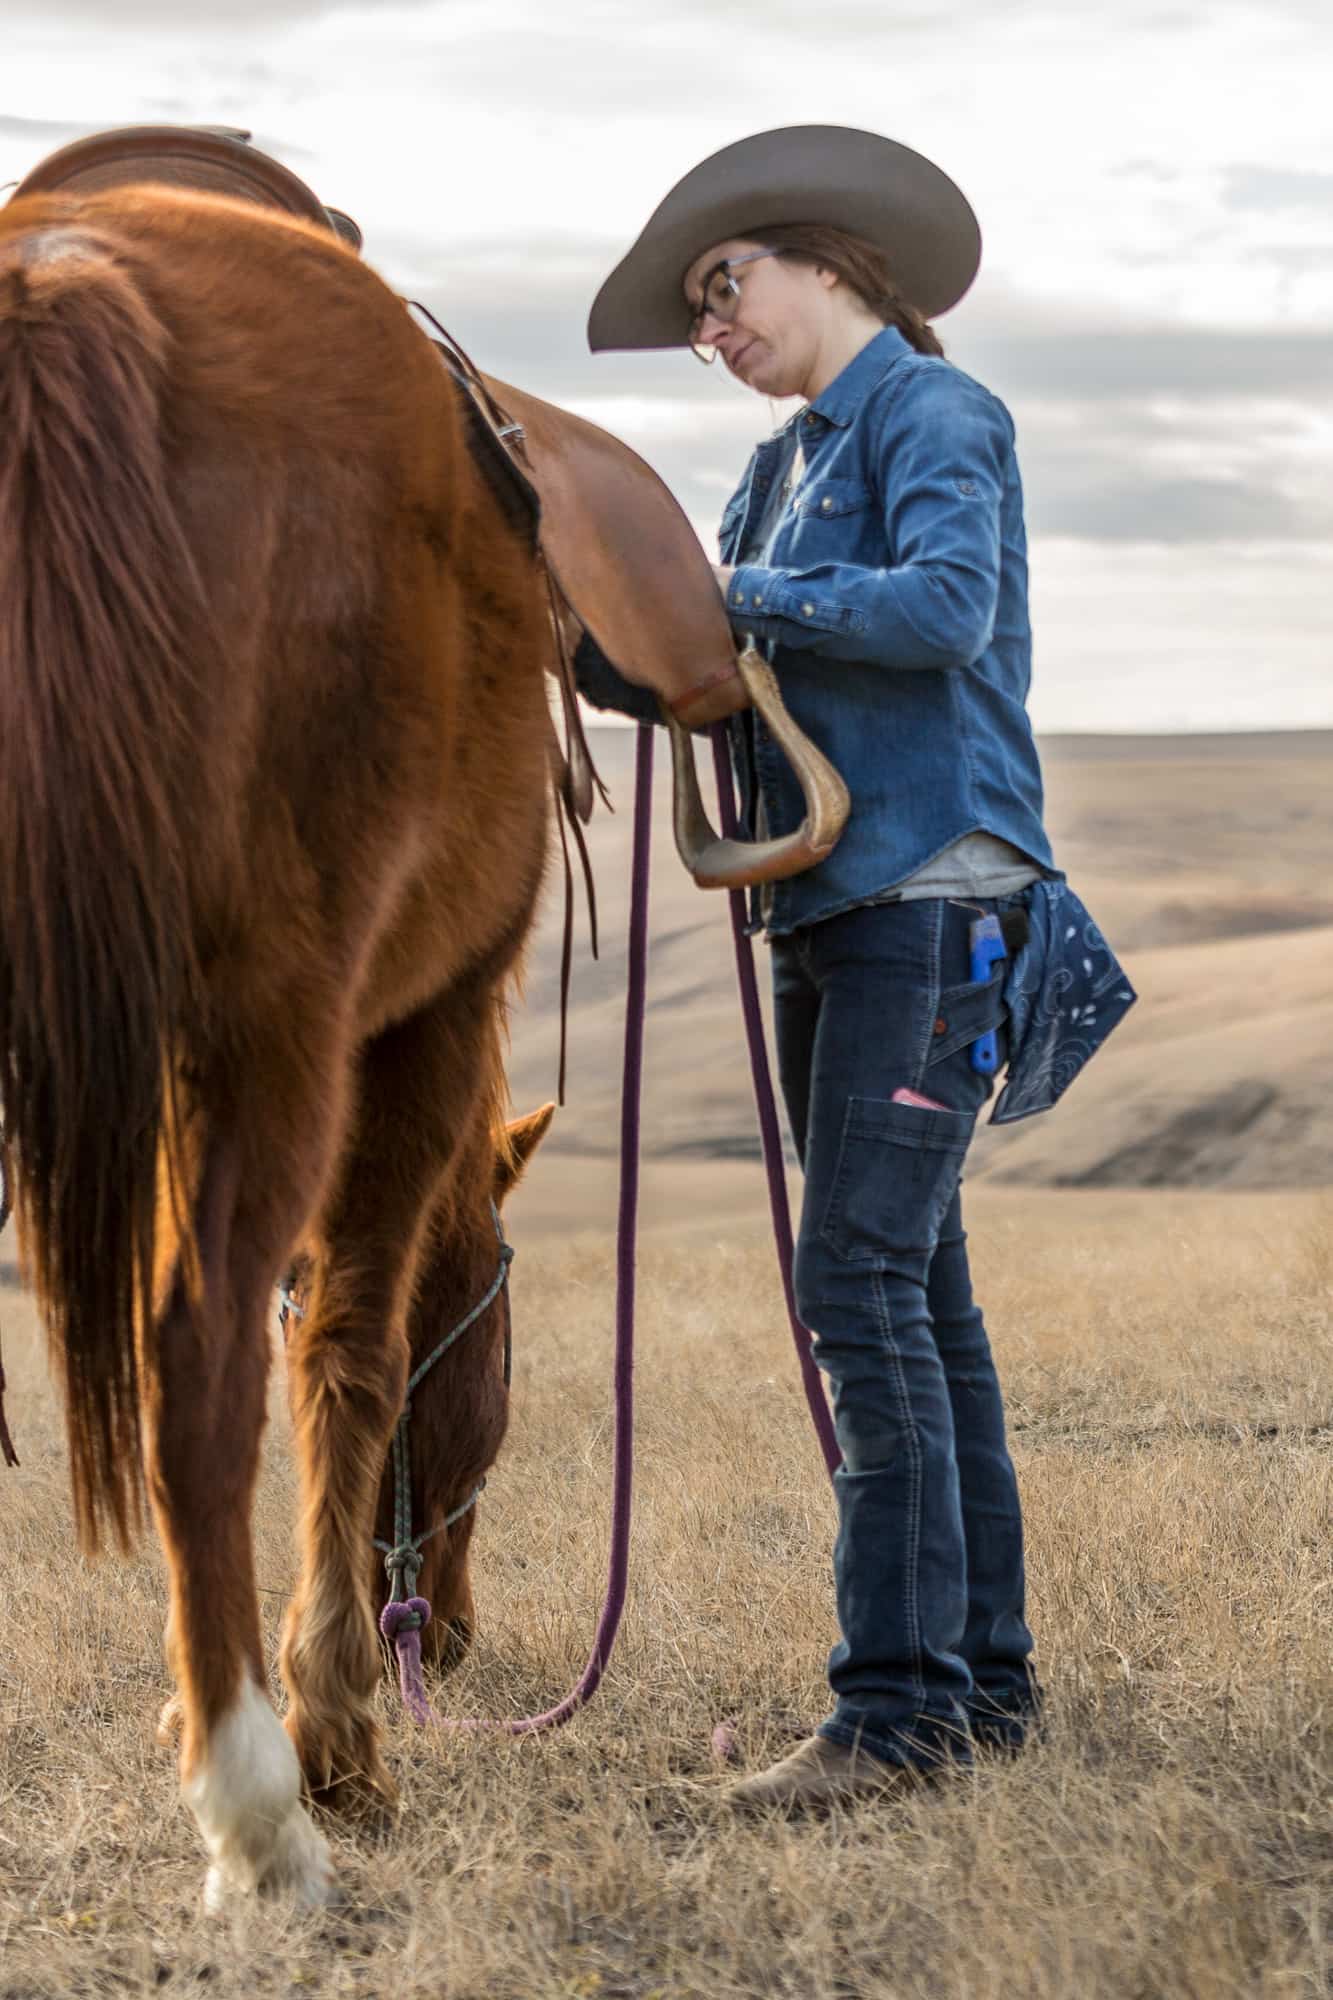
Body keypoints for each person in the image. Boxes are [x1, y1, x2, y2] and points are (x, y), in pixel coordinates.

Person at [577, 127, 1134, 1813]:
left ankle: (893, 1717)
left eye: (722, 286)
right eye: (695, 309)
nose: (711, 326)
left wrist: (730, 591)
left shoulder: (933, 415)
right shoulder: (774, 467)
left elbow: (947, 609)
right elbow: (724, 664)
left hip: (933, 893)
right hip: (837, 908)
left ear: (827, 264)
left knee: (857, 1290)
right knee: (921, 1297)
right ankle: (981, 1691)